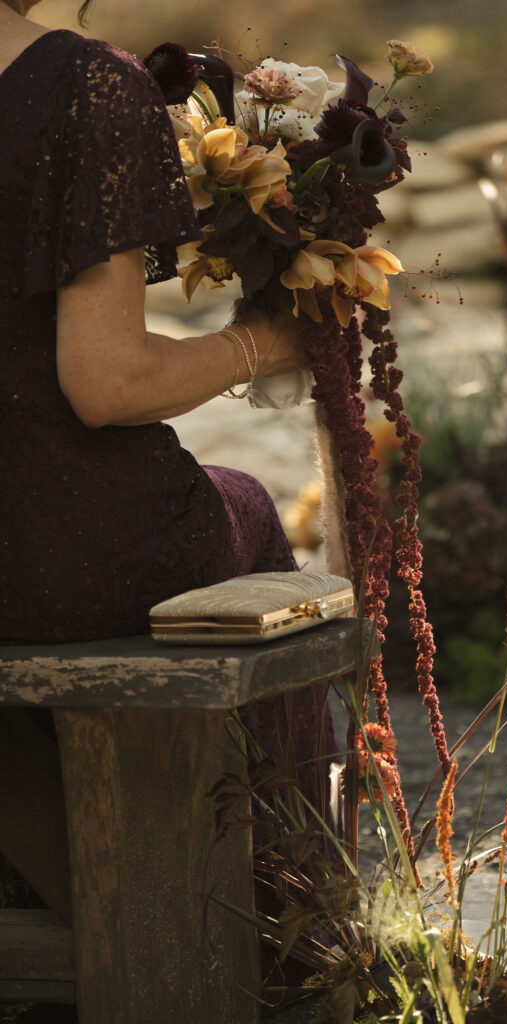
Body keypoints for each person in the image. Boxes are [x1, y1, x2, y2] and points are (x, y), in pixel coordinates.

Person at [0, 0, 336, 923]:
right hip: (44, 548)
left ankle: (57, 901)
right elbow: (106, 382)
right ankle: (283, 929)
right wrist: (266, 346)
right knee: (247, 508)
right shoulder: (80, 85)